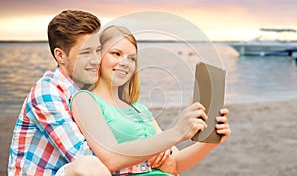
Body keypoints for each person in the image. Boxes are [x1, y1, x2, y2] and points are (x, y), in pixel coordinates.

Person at [71, 25, 231, 175]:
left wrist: (210, 142)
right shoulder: (85, 99)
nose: (125, 63)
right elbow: (111, 158)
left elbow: (175, 164)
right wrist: (176, 132)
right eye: (116, 54)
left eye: (132, 58)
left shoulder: (140, 109)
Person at [8, 10, 111, 176]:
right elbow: (83, 155)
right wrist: (148, 160)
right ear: (60, 55)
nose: (96, 60)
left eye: (98, 50)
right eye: (86, 52)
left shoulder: (87, 91)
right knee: (87, 166)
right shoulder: (47, 93)